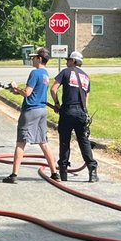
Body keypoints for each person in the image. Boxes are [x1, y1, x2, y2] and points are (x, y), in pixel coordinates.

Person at [2, 47, 59, 183]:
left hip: (30, 111)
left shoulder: (35, 73)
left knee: (21, 142)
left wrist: (15, 87)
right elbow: (34, 92)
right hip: (41, 111)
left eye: (34, 57)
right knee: (43, 142)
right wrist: (16, 91)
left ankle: (14, 175)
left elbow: (27, 93)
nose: (32, 59)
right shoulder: (45, 74)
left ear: (39, 59)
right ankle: (54, 173)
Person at [50, 50, 98, 183]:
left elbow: (53, 89)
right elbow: (86, 97)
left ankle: (63, 171)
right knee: (83, 141)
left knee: (65, 141)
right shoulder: (86, 77)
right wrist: (84, 112)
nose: (66, 62)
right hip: (81, 112)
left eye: (68, 60)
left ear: (73, 61)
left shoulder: (65, 72)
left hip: (67, 111)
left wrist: (57, 103)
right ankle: (92, 170)